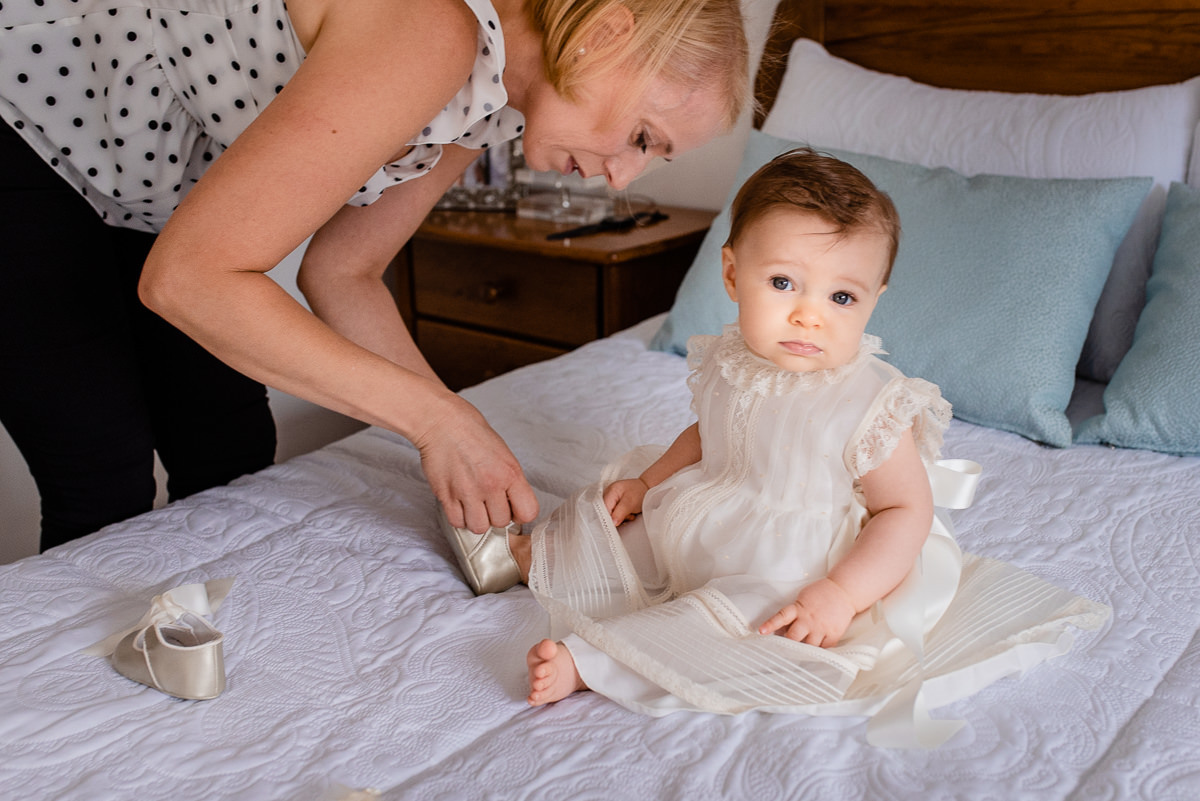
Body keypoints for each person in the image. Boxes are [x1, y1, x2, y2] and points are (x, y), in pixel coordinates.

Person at [0, 0, 749, 551]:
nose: (623, 178)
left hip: (151, 186)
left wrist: (460, 430)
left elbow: (345, 269)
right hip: (29, 120)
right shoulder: (434, 30)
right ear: (608, 29)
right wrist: (435, 420)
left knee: (228, 451)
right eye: (643, 137)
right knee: (102, 477)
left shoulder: (496, 101)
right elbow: (190, 279)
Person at [444, 148, 1107, 745]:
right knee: (620, 521)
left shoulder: (869, 403)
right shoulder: (733, 358)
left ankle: (594, 664)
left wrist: (842, 594)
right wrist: (650, 482)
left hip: (793, 559)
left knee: (744, 621)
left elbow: (906, 513)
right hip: (710, 508)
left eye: (841, 295)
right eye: (784, 282)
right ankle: (538, 555)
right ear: (732, 275)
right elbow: (710, 432)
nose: (808, 314)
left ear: (873, 302)